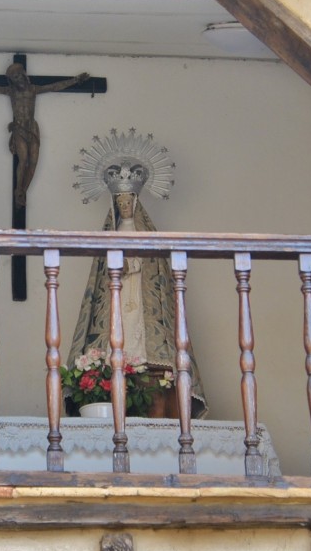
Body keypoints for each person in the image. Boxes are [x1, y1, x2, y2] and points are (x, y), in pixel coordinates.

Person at [68, 131, 208, 419]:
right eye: (120, 202)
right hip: (117, 295)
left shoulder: (147, 234)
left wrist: (135, 266)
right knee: (118, 329)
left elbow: (158, 277)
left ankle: (143, 362)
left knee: (139, 334)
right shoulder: (110, 235)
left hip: (141, 299)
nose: (124, 206)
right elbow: (101, 276)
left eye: (128, 201)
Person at [0, 64, 89, 208]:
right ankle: (19, 190)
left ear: (23, 75)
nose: (17, 80)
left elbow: (54, 86)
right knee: (23, 160)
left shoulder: (33, 90)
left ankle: (23, 191)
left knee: (33, 162)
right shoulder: (11, 92)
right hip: (19, 128)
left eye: (18, 76)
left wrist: (75, 80)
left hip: (32, 128)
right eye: (13, 78)